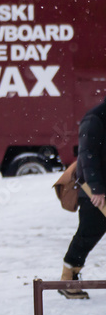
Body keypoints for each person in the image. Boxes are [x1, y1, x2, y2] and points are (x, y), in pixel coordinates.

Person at [61, 97, 106, 299]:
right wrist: (97, 189)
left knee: (89, 232)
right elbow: (88, 155)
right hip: (93, 190)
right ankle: (68, 279)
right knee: (88, 233)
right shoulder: (95, 118)